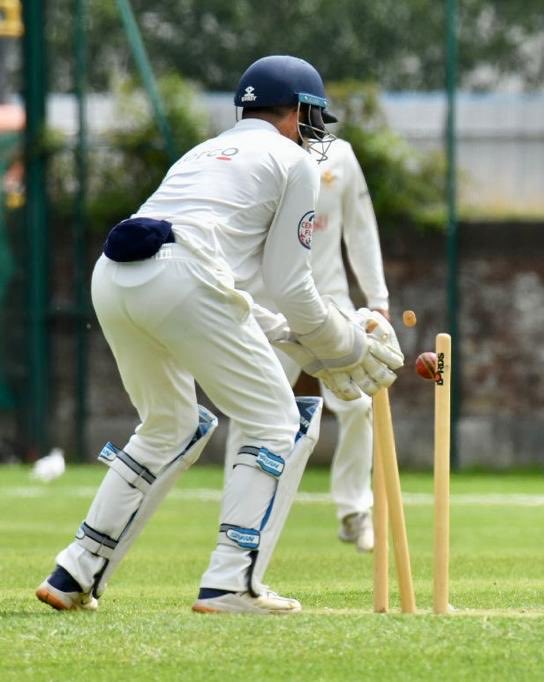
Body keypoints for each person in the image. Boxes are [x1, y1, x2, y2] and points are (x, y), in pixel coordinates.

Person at [35, 55, 403, 615]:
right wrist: (345, 346)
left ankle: (74, 570)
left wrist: (297, 339)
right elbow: (291, 285)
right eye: (314, 118)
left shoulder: (207, 151)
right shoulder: (291, 160)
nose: (317, 132)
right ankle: (232, 582)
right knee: (276, 420)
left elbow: (225, 285)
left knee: (170, 426)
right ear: (300, 111)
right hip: (181, 277)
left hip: (114, 274)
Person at [223, 137, 389, 553]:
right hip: (268, 304)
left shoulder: (340, 154)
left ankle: (354, 511)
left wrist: (378, 299)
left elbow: (361, 227)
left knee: (359, 404)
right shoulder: (253, 150)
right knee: (254, 411)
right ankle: (235, 518)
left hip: (329, 301)